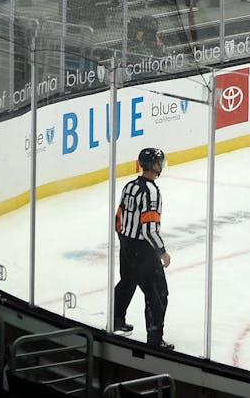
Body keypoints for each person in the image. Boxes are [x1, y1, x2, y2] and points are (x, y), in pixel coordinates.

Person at [113, 146, 171, 349]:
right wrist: (162, 251)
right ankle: (155, 340)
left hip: (126, 244)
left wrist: (124, 242)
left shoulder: (129, 186)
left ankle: (116, 320)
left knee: (127, 282)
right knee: (157, 293)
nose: (161, 165)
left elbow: (118, 219)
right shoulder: (151, 192)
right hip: (143, 250)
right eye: (160, 162)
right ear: (154, 165)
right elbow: (149, 229)